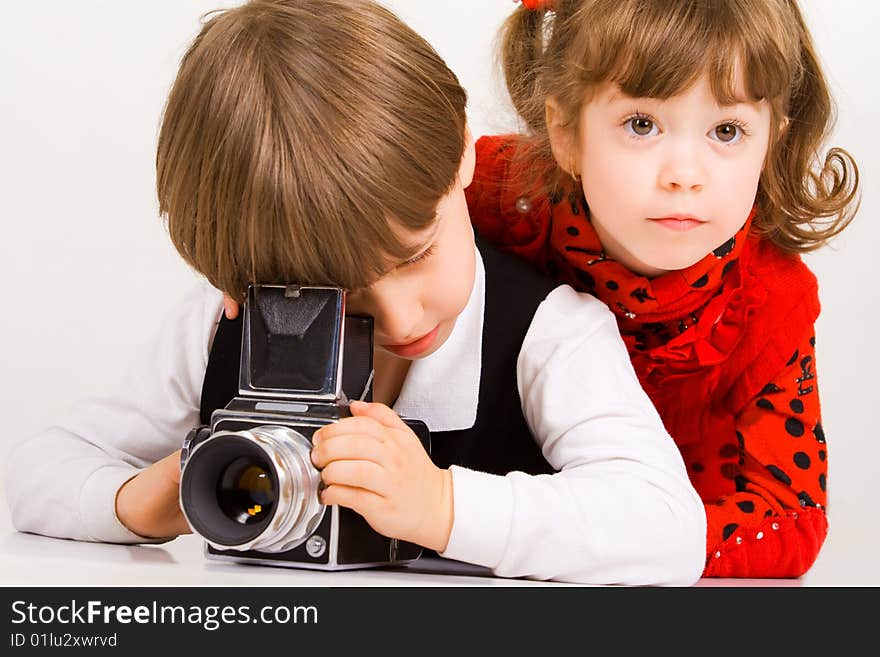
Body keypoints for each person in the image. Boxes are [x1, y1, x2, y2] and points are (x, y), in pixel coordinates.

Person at [4, 0, 705, 586]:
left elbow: (668, 525)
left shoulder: (546, 333)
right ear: (236, 287)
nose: (401, 317)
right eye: (331, 296)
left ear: (463, 152)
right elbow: (41, 471)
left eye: (418, 253)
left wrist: (441, 505)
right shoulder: (223, 327)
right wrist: (149, 498)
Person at [465, 0, 860, 577]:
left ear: (771, 140)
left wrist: (635, 539)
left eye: (727, 130)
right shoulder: (500, 194)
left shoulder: (770, 299)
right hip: (485, 534)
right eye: (642, 124)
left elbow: (792, 515)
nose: (684, 173)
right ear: (565, 133)